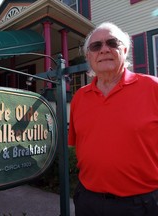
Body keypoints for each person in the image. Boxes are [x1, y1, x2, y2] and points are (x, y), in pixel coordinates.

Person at [68, 22, 158, 216]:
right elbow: (81, 147)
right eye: (96, 46)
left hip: (142, 204)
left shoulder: (153, 88)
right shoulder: (79, 98)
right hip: (87, 202)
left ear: (124, 50)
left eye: (112, 43)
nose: (104, 50)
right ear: (89, 57)